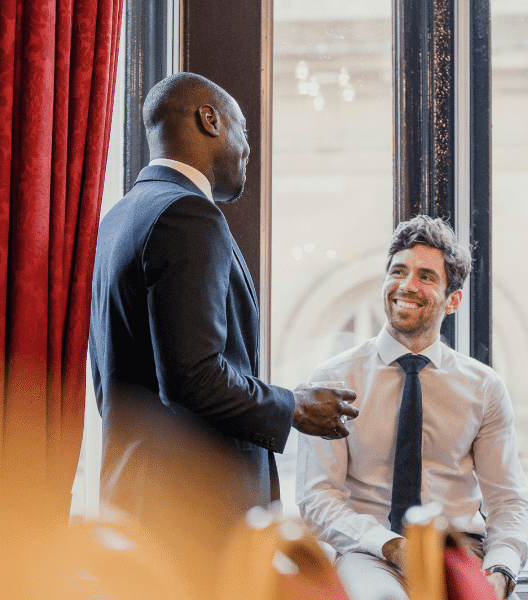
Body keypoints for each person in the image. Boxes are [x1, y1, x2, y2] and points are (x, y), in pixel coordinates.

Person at [89, 73, 359, 585]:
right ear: (208, 120)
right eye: (243, 131)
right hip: (193, 516)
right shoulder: (189, 215)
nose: (247, 148)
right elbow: (193, 376)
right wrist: (295, 406)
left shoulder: (121, 216)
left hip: (133, 503)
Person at [296, 215, 528, 600]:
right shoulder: (334, 379)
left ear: (453, 300)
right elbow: (317, 497)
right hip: (368, 553)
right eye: (398, 271)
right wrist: (389, 545)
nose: (407, 285)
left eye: (426, 276)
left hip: (460, 550)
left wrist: (501, 570)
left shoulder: (484, 387)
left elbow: (507, 501)